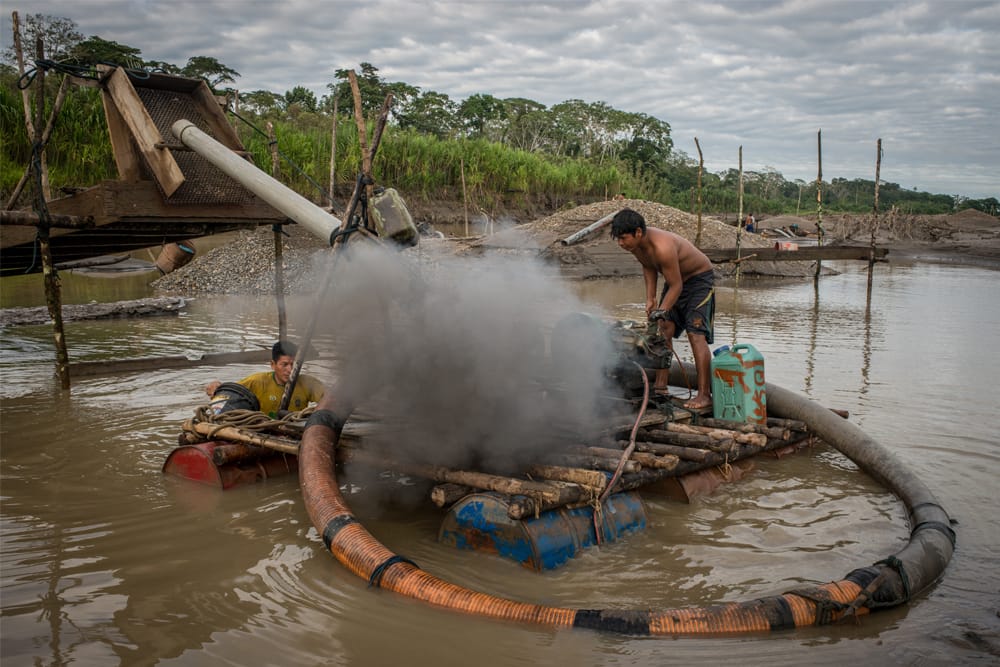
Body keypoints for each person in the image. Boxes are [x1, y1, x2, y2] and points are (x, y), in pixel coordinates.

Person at [610, 208, 715, 410]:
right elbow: (648, 267)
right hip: (676, 279)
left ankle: (704, 395)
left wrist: (661, 310)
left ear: (638, 232)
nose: (621, 243)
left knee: (695, 334)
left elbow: (677, 286)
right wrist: (651, 299)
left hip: (698, 280)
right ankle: (660, 386)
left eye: (623, 238)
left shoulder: (663, 248)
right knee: (663, 329)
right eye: (618, 239)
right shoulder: (637, 247)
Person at [204, 341, 325, 417]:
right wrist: (216, 386)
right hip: (263, 432)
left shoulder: (308, 383)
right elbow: (231, 393)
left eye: (294, 365)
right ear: (273, 365)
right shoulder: (257, 381)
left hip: (294, 431)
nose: (290, 370)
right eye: (284, 364)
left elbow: (332, 398)